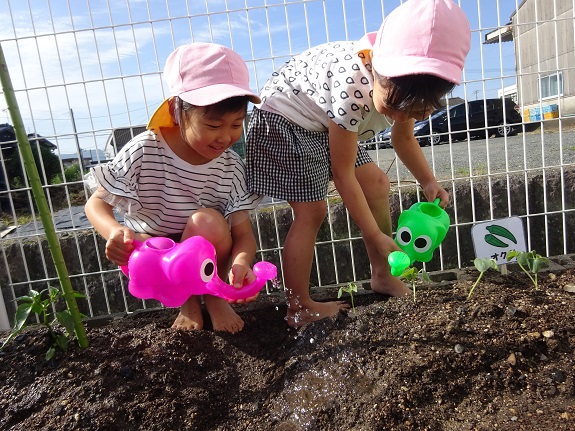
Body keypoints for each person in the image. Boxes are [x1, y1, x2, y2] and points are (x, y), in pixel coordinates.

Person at [245, 0, 471, 327]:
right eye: (392, 106)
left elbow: (403, 138)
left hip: (322, 122)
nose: (400, 117)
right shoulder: (353, 86)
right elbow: (343, 173)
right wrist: (375, 234)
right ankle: (298, 306)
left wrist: (428, 181)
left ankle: (382, 275)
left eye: (417, 112)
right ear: (376, 65)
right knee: (312, 211)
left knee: (377, 183)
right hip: (283, 120)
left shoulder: (409, 86)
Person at [85, 42, 263, 333]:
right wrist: (115, 233)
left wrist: (241, 263)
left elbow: (243, 235)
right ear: (177, 111)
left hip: (206, 255)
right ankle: (188, 302)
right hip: (156, 256)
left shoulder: (230, 165)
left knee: (206, 221)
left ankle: (213, 296)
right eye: (214, 125)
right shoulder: (145, 149)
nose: (226, 137)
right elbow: (95, 204)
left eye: (236, 124)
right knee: (146, 242)